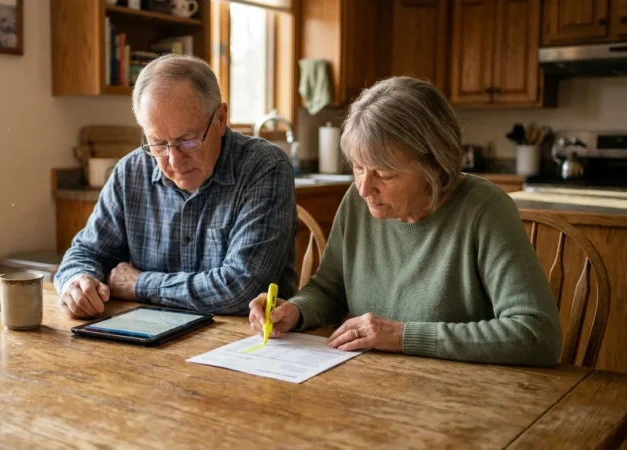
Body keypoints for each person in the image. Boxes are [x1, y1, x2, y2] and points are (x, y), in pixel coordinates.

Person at [248, 76, 563, 366]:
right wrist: (295, 310)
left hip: (460, 394)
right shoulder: (358, 202)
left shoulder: (485, 210)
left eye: (384, 174)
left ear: (435, 167)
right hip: (374, 384)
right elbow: (330, 291)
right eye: (358, 167)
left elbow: (537, 334)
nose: (363, 188)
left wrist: (402, 336)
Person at [55, 54, 298, 319]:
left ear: (220, 119)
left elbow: (242, 288)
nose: (174, 160)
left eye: (188, 140)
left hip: (243, 343)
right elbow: (87, 251)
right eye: (157, 143)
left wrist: (138, 284)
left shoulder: (264, 166)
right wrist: (77, 281)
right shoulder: (131, 171)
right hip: (149, 338)